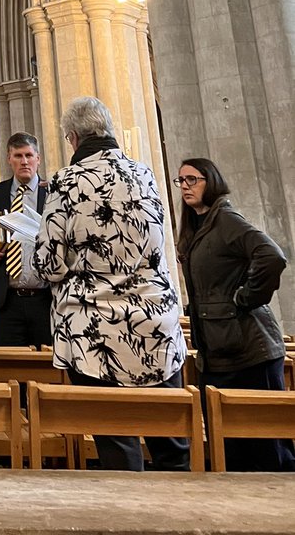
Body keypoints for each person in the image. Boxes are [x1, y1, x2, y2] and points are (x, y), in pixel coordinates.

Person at [33, 96, 189, 471]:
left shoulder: (67, 182)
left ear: (72, 138)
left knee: (117, 443)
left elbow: (48, 263)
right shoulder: (145, 174)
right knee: (170, 444)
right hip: (156, 326)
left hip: (96, 334)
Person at [175, 157, 295, 472]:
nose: (185, 186)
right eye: (181, 181)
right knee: (231, 448)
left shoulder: (226, 220)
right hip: (218, 351)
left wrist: (246, 297)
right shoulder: (197, 225)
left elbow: (271, 256)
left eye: (192, 179)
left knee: (267, 446)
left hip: (250, 349)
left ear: (211, 181)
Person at [0, 132, 50, 348]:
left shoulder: (53, 194)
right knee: (8, 364)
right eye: (18, 156)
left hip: (46, 300)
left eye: (29, 155)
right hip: (5, 302)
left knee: (50, 365)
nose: (24, 161)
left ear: (38, 158)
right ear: (9, 159)